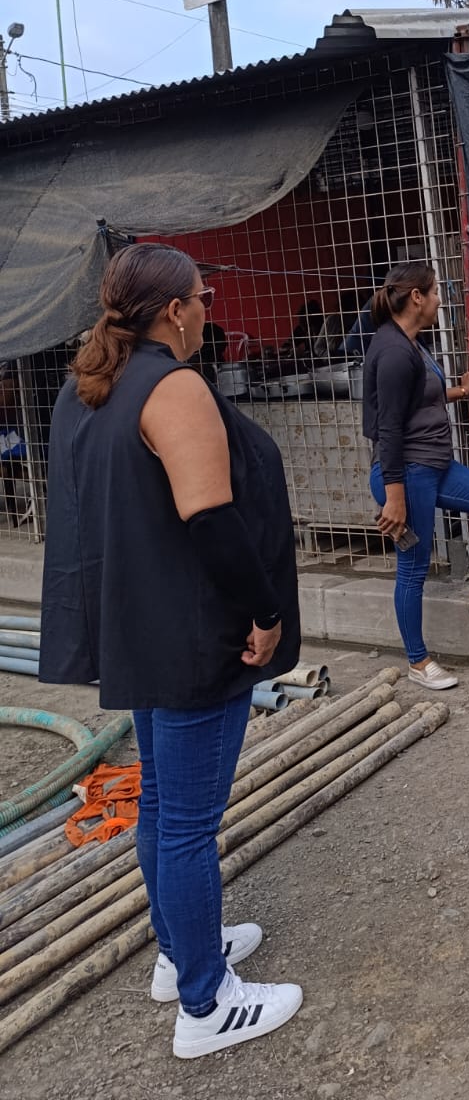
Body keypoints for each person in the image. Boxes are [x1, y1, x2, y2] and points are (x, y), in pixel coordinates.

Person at [38, 243, 304, 1060]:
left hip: (140, 628)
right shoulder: (173, 386)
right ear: (174, 311)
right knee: (188, 824)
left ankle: (180, 952)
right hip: (194, 636)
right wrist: (264, 612)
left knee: (161, 805)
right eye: (203, 297)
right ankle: (206, 1003)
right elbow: (211, 519)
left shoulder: (92, 387)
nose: (209, 309)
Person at [364, 260, 469, 691]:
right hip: (407, 473)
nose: (440, 300)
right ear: (416, 297)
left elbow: (420, 397)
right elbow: (388, 429)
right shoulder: (393, 351)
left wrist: (460, 390)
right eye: (436, 292)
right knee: (413, 567)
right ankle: (418, 663)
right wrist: (395, 497)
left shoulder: (411, 342)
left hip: (433, 466)